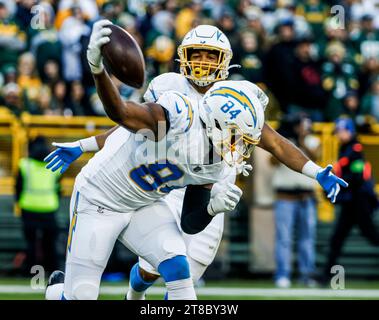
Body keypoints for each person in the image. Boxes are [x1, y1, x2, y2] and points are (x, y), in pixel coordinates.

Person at [44, 21, 348, 300]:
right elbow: (125, 117)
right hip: (101, 197)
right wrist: (97, 68)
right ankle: (57, 293)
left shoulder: (219, 148)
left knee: (179, 275)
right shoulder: (175, 110)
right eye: (238, 137)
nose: (241, 146)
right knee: (80, 295)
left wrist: (214, 206)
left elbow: (192, 221)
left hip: (147, 202)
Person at [322, 117, 379, 284]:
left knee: (372, 236)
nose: (339, 134)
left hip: (359, 203)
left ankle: (326, 277)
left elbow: (356, 178)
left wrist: (337, 190)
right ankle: (326, 277)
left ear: (349, 131)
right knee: (337, 239)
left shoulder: (355, 149)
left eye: (341, 131)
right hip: (351, 203)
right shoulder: (346, 148)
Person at [270, 114, 320, 288]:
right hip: (285, 196)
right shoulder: (284, 142)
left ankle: (307, 274)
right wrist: (290, 143)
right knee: (283, 238)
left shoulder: (313, 141)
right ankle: (283, 274)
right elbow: (272, 162)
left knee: (307, 238)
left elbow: (316, 157)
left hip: (306, 197)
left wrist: (302, 140)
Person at [15, 136, 61, 275]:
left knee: (31, 243)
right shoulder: (55, 164)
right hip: (49, 208)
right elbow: (58, 188)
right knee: (50, 243)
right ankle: (51, 270)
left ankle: (31, 272)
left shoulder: (24, 164)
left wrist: (18, 202)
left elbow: (18, 187)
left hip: (28, 207)